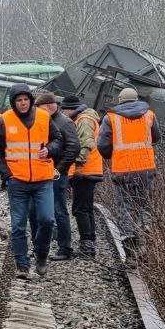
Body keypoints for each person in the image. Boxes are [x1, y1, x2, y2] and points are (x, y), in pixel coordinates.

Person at [0, 83, 61, 279]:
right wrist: (7, 175)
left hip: (43, 179)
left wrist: (50, 149)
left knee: (47, 219)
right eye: (19, 100)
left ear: (31, 100)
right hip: (18, 181)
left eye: (26, 99)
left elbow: (58, 139)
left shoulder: (44, 117)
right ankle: (22, 265)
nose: (23, 103)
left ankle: (41, 255)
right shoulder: (4, 121)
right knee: (18, 225)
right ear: (13, 102)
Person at [97, 86, 160, 262]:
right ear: (137, 99)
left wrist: (111, 156)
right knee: (144, 205)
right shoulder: (149, 115)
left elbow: (102, 144)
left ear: (120, 101)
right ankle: (145, 239)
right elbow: (156, 138)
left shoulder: (110, 117)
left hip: (123, 170)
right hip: (146, 169)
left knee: (125, 208)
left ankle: (130, 249)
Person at [34, 93, 80, 261]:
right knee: (50, 210)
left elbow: (74, 147)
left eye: (39, 109)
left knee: (59, 210)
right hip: (47, 171)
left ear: (48, 106)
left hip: (56, 174)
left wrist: (59, 169)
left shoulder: (64, 122)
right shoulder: (51, 120)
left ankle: (65, 248)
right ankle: (53, 244)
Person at [62, 95, 103, 257]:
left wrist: (78, 165)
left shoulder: (84, 120)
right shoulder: (85, 118)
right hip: (90, 170)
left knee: (80, 209)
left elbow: (86, 144)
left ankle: (87, 245)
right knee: (86, 207)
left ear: (70, 109)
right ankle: (90, 241)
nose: (63, 113)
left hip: (85, 170)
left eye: (64, 110)